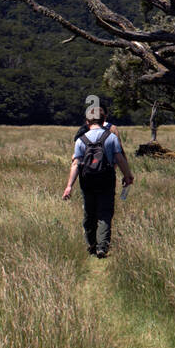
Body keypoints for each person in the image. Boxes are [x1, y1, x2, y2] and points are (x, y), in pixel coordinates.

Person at [62, 110, 133, 258]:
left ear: (87, 122)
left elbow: (75, 164)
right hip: (106, 178)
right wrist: (127, 176)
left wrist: (69, 186)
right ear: (104, 120)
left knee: (89, 212)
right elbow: (119, 159)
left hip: (87, 180)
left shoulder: (81, 139)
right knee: (105, 213)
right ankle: (102, 247)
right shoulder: (111, 137)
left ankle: (91, 244)